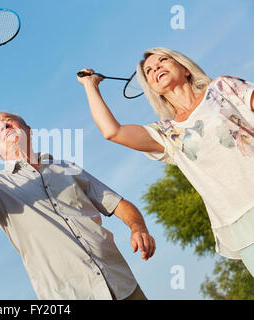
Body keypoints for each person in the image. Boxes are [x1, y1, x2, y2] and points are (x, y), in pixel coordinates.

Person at [0, 95, 156, 300]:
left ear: (28, 131)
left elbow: (118, 203)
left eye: (8, 120)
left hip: (123, 285)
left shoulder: (66, 167)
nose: (3, 125)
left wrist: (138, 228)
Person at [77, 47, 254, 276]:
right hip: (241, 223)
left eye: (163, 60)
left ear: (184, 68)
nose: (156, 68)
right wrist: (90, 87)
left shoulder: (222, 88)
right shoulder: (167, 133)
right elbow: (113, 131)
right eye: (149, 70)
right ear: (152, 88)